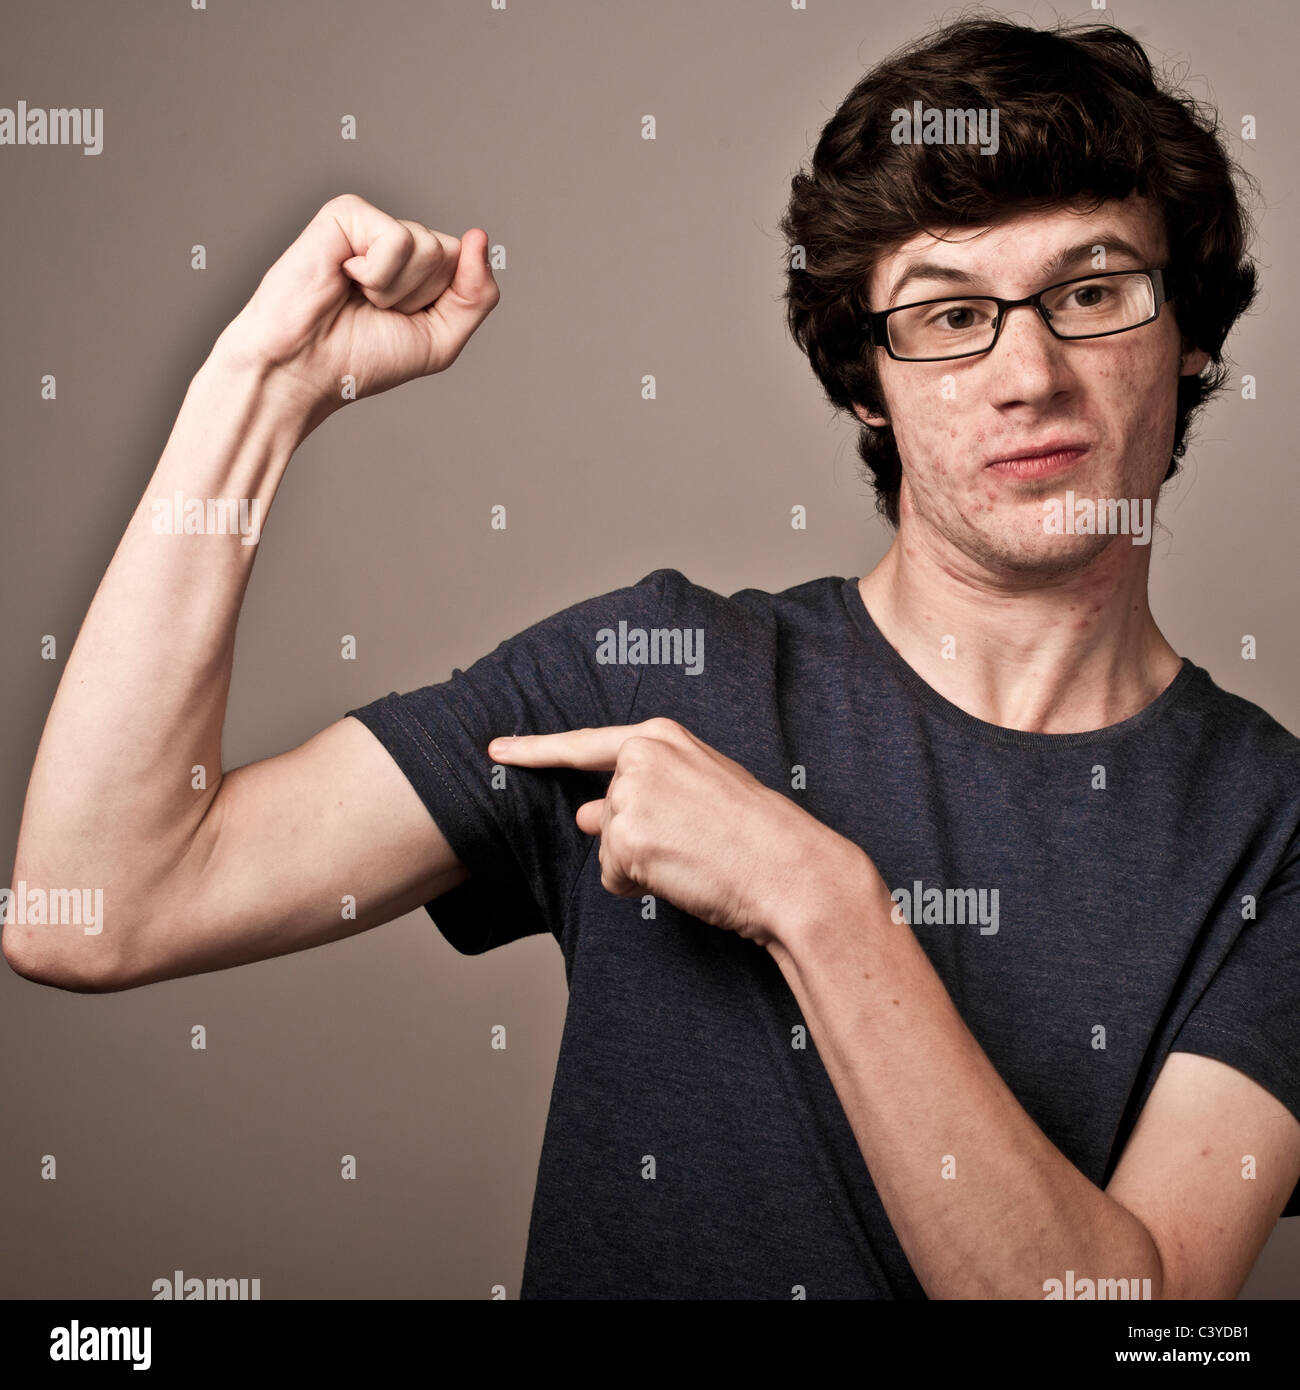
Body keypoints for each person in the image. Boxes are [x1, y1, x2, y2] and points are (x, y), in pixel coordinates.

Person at [5, 16, 1299, 1300]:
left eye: (1091, 291)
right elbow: (103, 901)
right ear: (866, 381)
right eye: (949, 313)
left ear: (1188, 332)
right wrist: (265, 387)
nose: (1030, 372)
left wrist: (818, 900)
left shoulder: (1279, 835)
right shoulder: (656, 676)